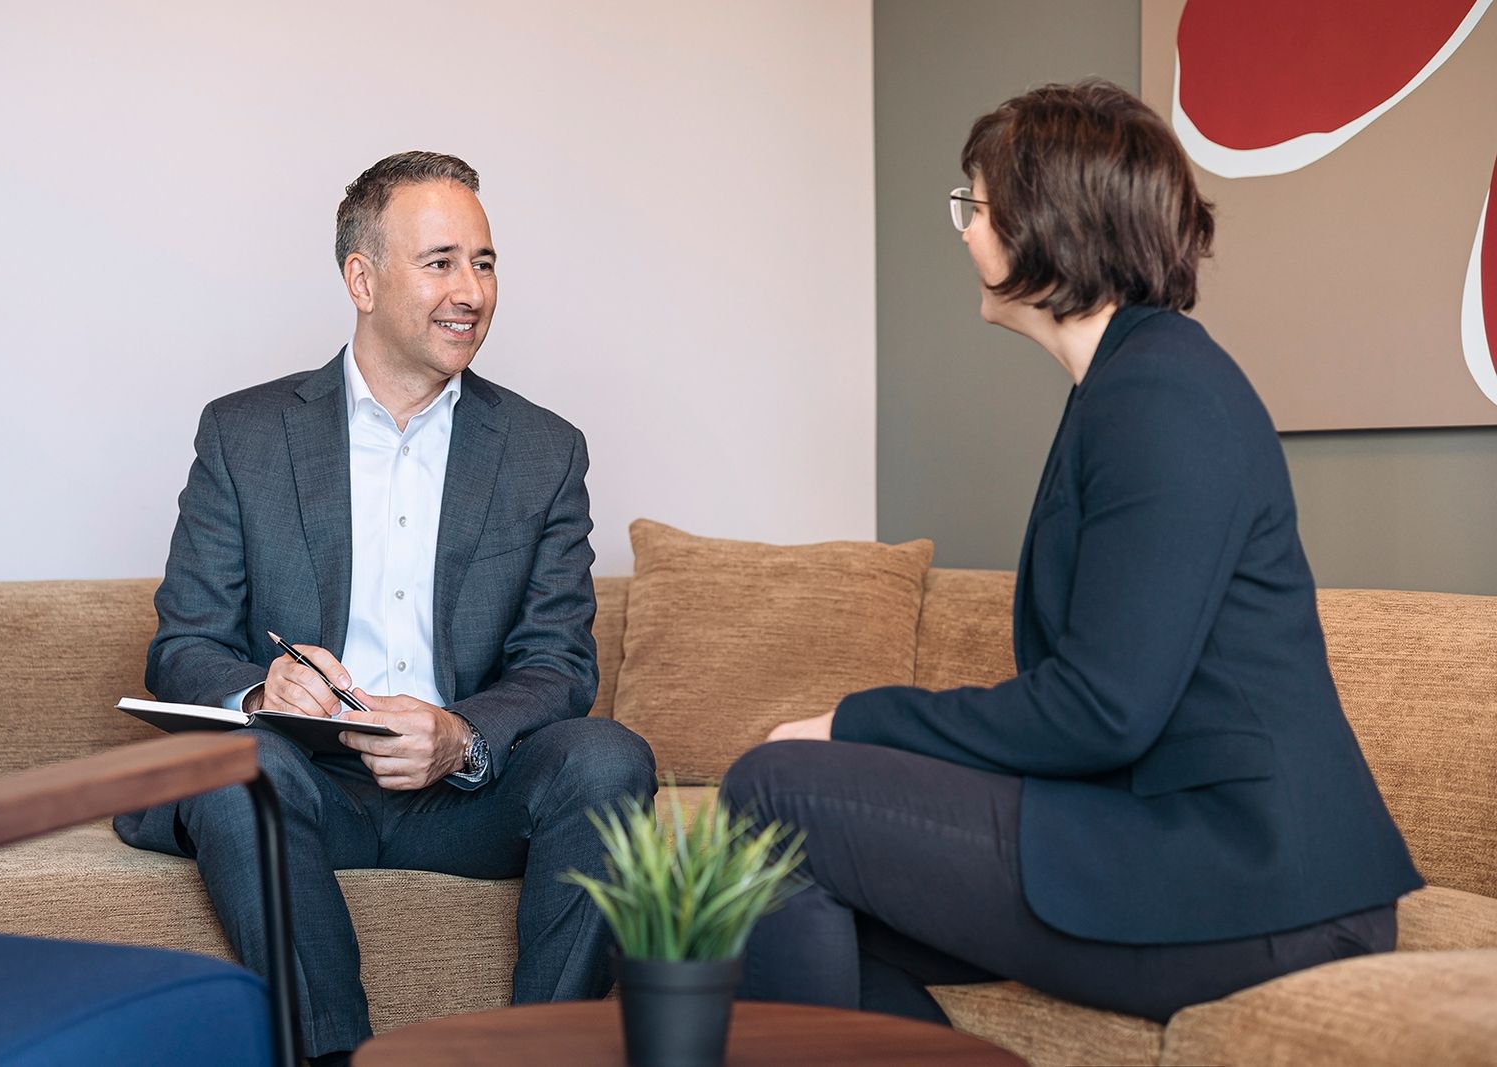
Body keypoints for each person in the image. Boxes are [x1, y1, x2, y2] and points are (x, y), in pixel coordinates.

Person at [721, 81, 1421, 1025]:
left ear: (1046, 225)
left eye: (976, 206)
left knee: (772, 791)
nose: (966, 231)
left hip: (1257, 885)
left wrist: (854, 721)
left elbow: (1102, 709)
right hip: (1189, 848)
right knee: (813, 902)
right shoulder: (1130, 382)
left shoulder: (1162, 396)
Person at [114, 151, 656, 1065]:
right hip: (301, 781)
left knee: (610, 755)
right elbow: (185, 645)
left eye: (483, 263)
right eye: (441, 262)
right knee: (235, 763)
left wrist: (459, 733)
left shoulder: (544, 450)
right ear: (361, 280)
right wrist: (265, 692)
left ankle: (542, 1055)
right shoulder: (245, 435)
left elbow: (559, 664)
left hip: (466, 797)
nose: (471, 292)